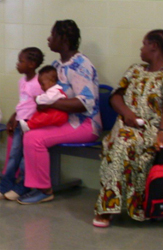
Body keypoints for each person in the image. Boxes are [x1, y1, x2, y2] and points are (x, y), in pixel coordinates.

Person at [93, 29, 163, 227]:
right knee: (122, 143)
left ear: (154, 46)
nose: (141, 49)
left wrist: (161, 133)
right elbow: (115, 96)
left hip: (162, 126)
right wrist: (128, 114)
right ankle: (108, 206)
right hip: (131, 126)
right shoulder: (135, 70)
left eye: (144, 44)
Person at [17, 19, 102, 205]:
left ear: (63, 39)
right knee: (28, 131)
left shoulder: (81, 65)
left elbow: (84, 104)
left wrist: (50, 104)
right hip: (62, 121)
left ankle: (43, 190)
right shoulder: (55, 66)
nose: (49, 39)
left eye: (53, 35)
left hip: (85, 124)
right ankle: (29, 183)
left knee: (34, 138)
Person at [0, 47, 44, 201]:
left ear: (31, 64)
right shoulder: (22, 81)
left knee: (26, 157)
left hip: (30, 125)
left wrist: (30, 122)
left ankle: (23, 185)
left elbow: (41, 106)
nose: (17, 64)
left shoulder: (38, 83)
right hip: (20, 123)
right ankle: (5, 184)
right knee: (14, 155)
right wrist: (15, 117)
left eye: (21, 61)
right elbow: (22, 104)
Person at [20, 65, 68, 132]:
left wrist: (38, 98)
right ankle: (29, 123)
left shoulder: (55, 90)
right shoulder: (52, 90)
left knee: (43, 117)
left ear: (52, 81)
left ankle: (29, 125)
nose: (41, 87)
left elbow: (48, 99)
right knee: (38, 114)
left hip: (58, 115)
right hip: (54, 114)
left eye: (42, 84)